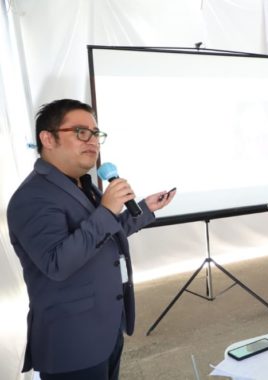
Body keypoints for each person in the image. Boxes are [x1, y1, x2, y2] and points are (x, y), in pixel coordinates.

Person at [7, 99, 176, 379]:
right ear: (47, 138)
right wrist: (107, 209)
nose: (93, 141)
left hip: (105, 327)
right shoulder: (32, 198)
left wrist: (144, 210)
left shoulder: (83, 184)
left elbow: (105, 235)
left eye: (96, 134)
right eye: (80, 132)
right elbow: (57, 264)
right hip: (72, 342)